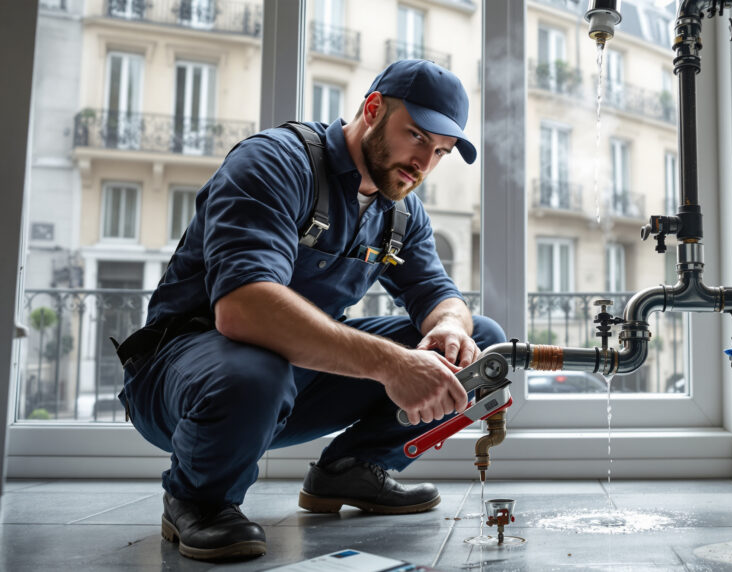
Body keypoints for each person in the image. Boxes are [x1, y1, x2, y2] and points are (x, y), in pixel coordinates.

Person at [114, 59, 505, 561]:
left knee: (483, 344)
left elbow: (437, 292)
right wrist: (393, 364)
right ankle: (199, 501)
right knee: (257, 369)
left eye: (440, 152)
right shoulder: (276, 162)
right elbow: (244, 309)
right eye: (416, 137)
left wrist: (450, 327)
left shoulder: (401, 211)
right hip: (186, 376)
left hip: (291, 380)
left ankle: (351, 471)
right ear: (372, 109)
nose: (424, 163)